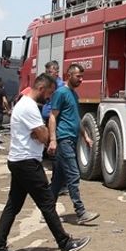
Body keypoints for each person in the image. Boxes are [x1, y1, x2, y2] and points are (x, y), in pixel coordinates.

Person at [0, 73, 90, 251]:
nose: (49, 98)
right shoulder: (29, 107)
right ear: (41, 88)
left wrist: (39, 132)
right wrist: (43, 134)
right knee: (47, 204)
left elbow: (39, 132)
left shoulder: (23, 105)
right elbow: (42, 135)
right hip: (27, 163)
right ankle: (65, 243)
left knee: (13, 206)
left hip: (19, 160)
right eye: (49, 93)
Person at [48, 64, 99, 224]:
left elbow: (76, 119)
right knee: (74, 175)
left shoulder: (74, 95)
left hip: (71, 139)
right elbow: (52, 116)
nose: (81, 79)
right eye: (78, 76)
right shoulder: (61, 93)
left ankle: (47, 211)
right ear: (69, 75)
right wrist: (53, 140)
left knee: (58, 179)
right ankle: (81, 212)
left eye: (82, 76)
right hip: (63, 140)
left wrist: (85, 136)